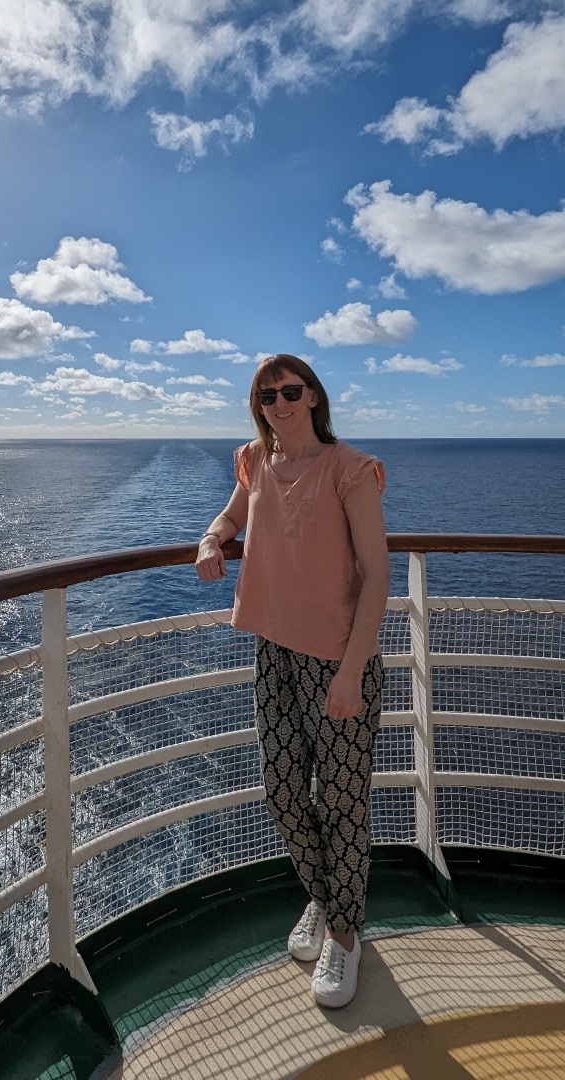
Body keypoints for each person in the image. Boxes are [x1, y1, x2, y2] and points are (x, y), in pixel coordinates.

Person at [196, 354, 389, 1009]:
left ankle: (344, 935)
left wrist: (353, 671)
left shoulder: (348, 469)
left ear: (312, 396)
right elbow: (230, 519)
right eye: (266, 395)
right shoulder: (256, 460)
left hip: (337, 659)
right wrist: (211, 540)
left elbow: (378, 575)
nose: (278, 402)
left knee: (340, 805)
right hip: (274, 653)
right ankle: (327, 900)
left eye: (289, 391)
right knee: (283, 794)